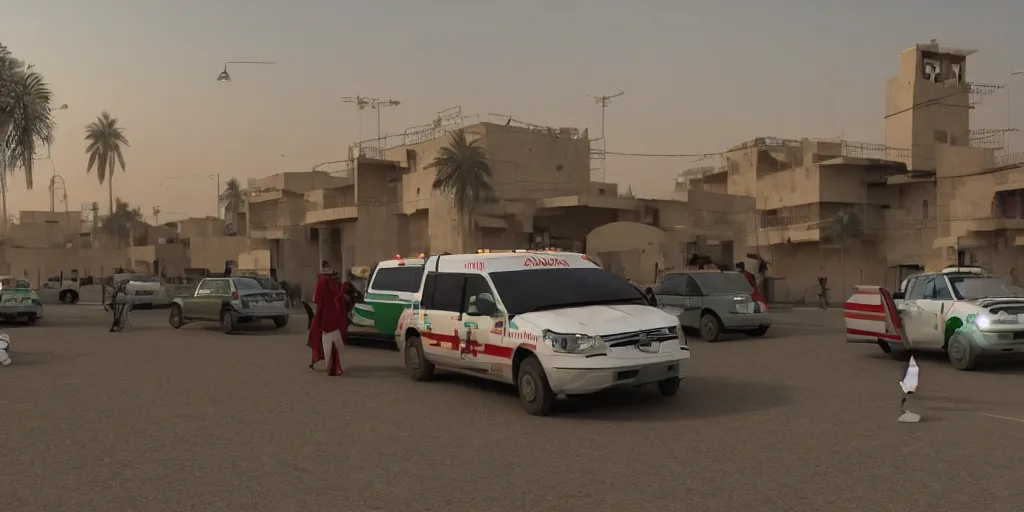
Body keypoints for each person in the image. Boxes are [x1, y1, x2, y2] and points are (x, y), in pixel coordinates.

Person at [307, 269, 349, 376]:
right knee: (330, 342)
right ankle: (331, 365)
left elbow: (317, 301)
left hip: (327, 319)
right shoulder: (335, 287)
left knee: (327, 342)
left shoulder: (323, 284)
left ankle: (331, 366)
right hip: (333, 319)